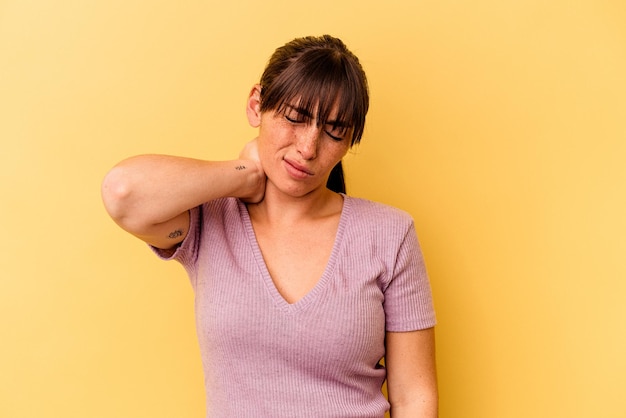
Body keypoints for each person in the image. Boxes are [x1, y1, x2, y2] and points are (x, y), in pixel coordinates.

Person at [101, 34, 437, 418]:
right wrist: (243, 175)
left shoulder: (390, 234)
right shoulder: (208, 223)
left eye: (334, 131)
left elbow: (415, 398)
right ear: (257, 105)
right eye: (294, 118)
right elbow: (122, 192)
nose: (308, 148)